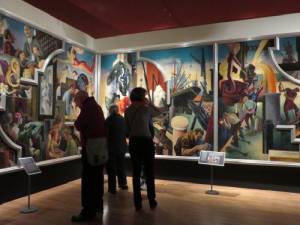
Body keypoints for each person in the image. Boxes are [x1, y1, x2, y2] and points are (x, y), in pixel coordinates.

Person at [125, 87, 161, 211]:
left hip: (134, 142)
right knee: (149, 171)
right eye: (144, 96)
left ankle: (137, 203)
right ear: (141, 97)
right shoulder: (146, 110)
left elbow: (128, 128)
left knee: (136, 172)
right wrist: (150, 103)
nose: (146, 98)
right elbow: (160, 112)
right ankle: (151, 200)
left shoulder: (128, 110)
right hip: (145, 142)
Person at [72, 91, 106, 222]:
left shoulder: (87, 108)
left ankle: (87, 211)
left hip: (90, 149)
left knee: (88, 180)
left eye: (76, 103)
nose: (77, 105)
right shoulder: (96, 107)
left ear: (81, 99)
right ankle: (98, 207)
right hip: (100, 148)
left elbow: (78, 125)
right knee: (97, 178)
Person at [105, 104, 128, 194]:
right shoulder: (122, 120)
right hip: (122, 147)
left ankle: (112, 188)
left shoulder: (108, 120)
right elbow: (127, 133)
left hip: (111, 147)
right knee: (121, 166)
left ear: (110, 111)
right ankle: (123, 184)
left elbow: (106, 134)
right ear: (117, 110)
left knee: (111, 168)